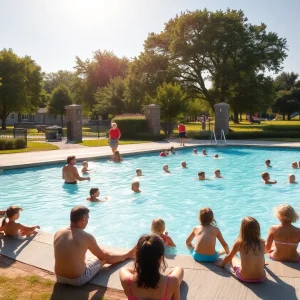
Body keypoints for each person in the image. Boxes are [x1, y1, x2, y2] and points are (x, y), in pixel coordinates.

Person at [54, 206, 135, 286]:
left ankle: (128, 254)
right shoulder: (86, 237)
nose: (88, 221)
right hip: (77, 279)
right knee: (104, 256)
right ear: (83, 220)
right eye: (88, 218)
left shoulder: (58, 232)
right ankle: (129, 254)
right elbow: (103, 257)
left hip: (59, 277)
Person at [119, 234, 184, 300]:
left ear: (137, 256)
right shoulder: (173, 282)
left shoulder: (127, 280)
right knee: (179, 269)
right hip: (166, 283)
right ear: (161, 258)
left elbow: (125, 269)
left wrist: (144, 269)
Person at [216, 217, 266, 283]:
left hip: (245, 277)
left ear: (243, 230)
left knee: (233, 257)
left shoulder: (240, 243)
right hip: (261, 277)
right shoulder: (262, 242)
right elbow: (262, 256)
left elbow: (229, 257)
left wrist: (222, 265)